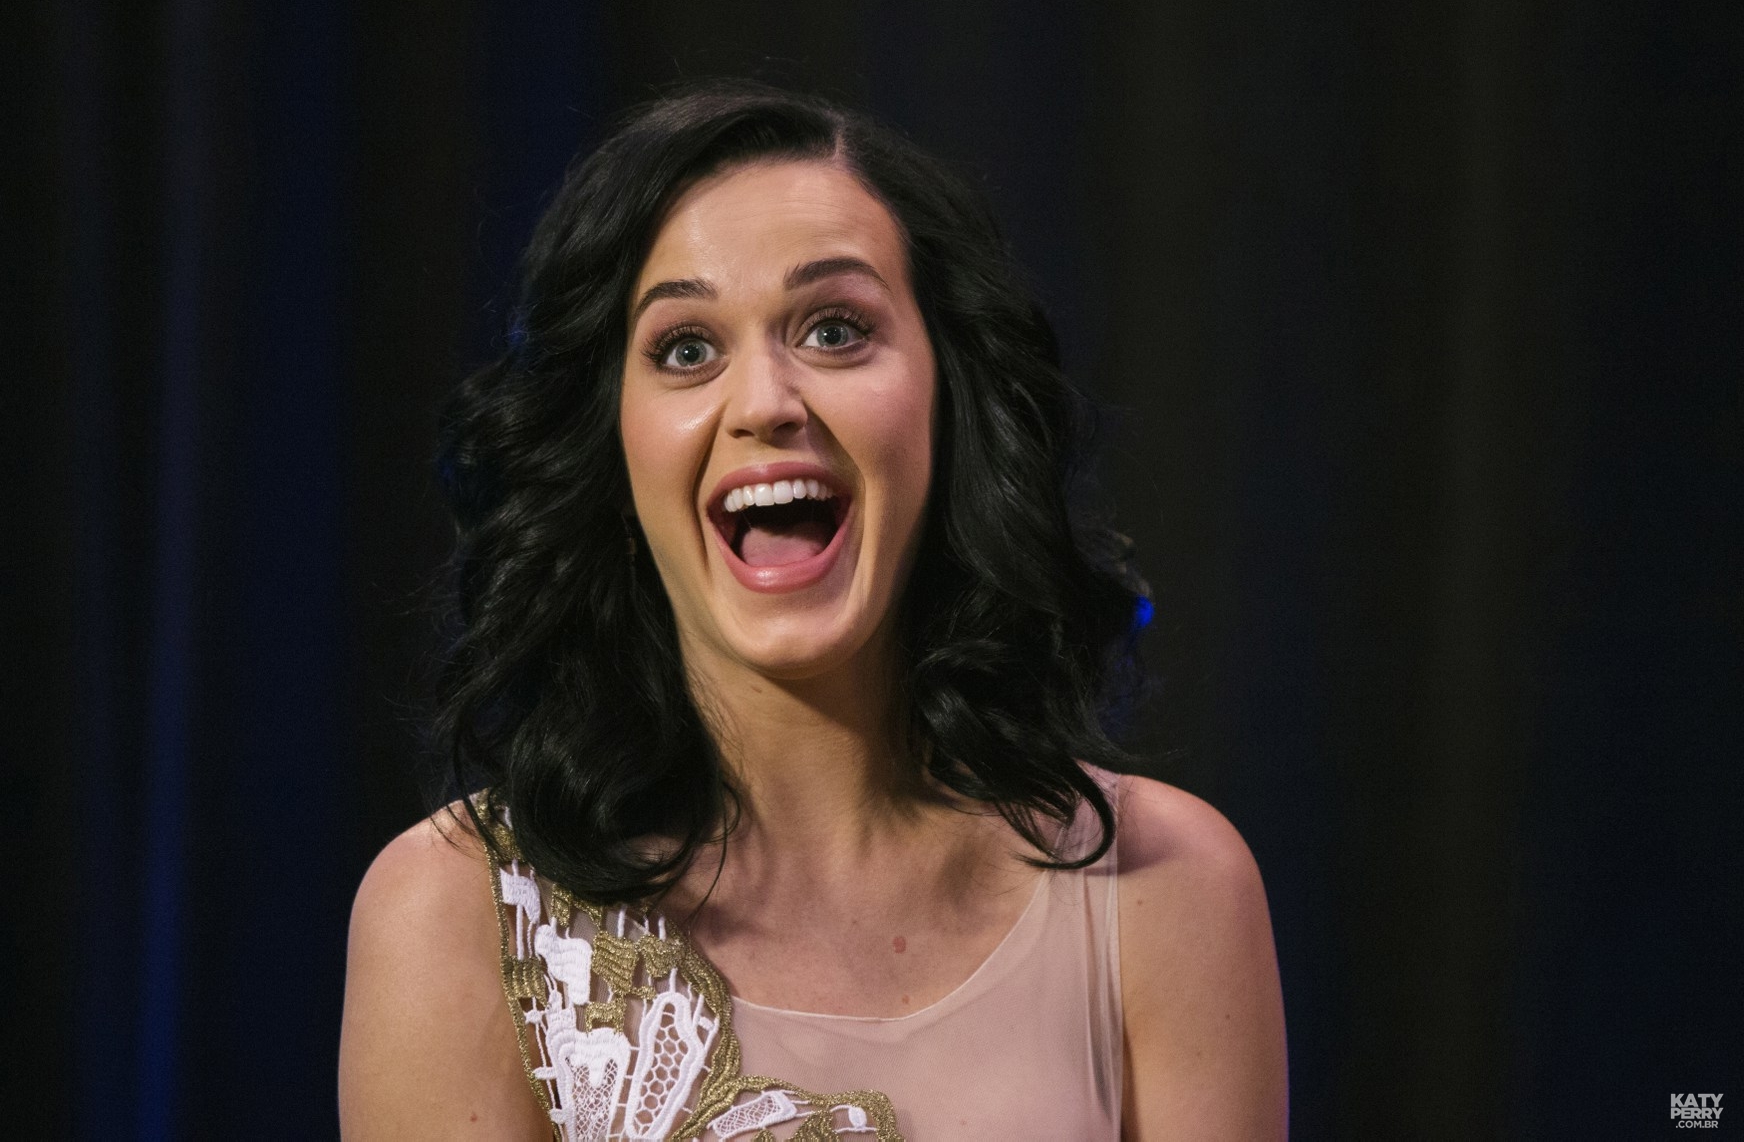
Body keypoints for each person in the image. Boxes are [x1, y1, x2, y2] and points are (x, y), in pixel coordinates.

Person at [338, 82, 1287, 1140]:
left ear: (950, 400)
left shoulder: (1166, 889)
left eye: (835, 330)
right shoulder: (452, 913)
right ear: (608, 443)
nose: (764, 403)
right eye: (686, 348)